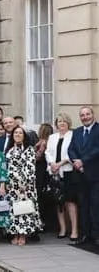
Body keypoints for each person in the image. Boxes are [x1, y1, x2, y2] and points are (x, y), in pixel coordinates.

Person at [5, 126, 43, 246]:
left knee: (24, 210)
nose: (17, 134)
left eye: (20, 133)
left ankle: (23, 235)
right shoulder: (9, 150)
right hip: (12, 186)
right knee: (14, 210)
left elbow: (30, 167)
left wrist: (24, 183)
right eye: (15, 132)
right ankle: (15, 233)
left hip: (25, 186)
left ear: (24, 135)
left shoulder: (29, 149)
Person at [68, 105, 99, 249]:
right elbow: (71, 148)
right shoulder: (77, 132)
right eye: (82, 115)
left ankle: (96, 235)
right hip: (79, 175)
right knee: (83, 206)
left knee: (95, 205)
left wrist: (83, 161)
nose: (85, 117)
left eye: (87, 114)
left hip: (94, 175)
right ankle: (85, 234)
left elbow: (97, 149)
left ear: (93, 115)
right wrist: (76, 161)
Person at [45, 112, 78, 242]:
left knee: (70, 201)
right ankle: (62, 229)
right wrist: (52, 164)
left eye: (64, 121)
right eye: (59, 121)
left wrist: (61, 163)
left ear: (68, 123)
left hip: (68, 171)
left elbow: (73, 151)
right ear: (56, 124)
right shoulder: (52, 137)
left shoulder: (73, 135)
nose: (61, 123)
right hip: (55, 173)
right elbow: (48, 152)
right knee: (58, 202)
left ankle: (74, 230)